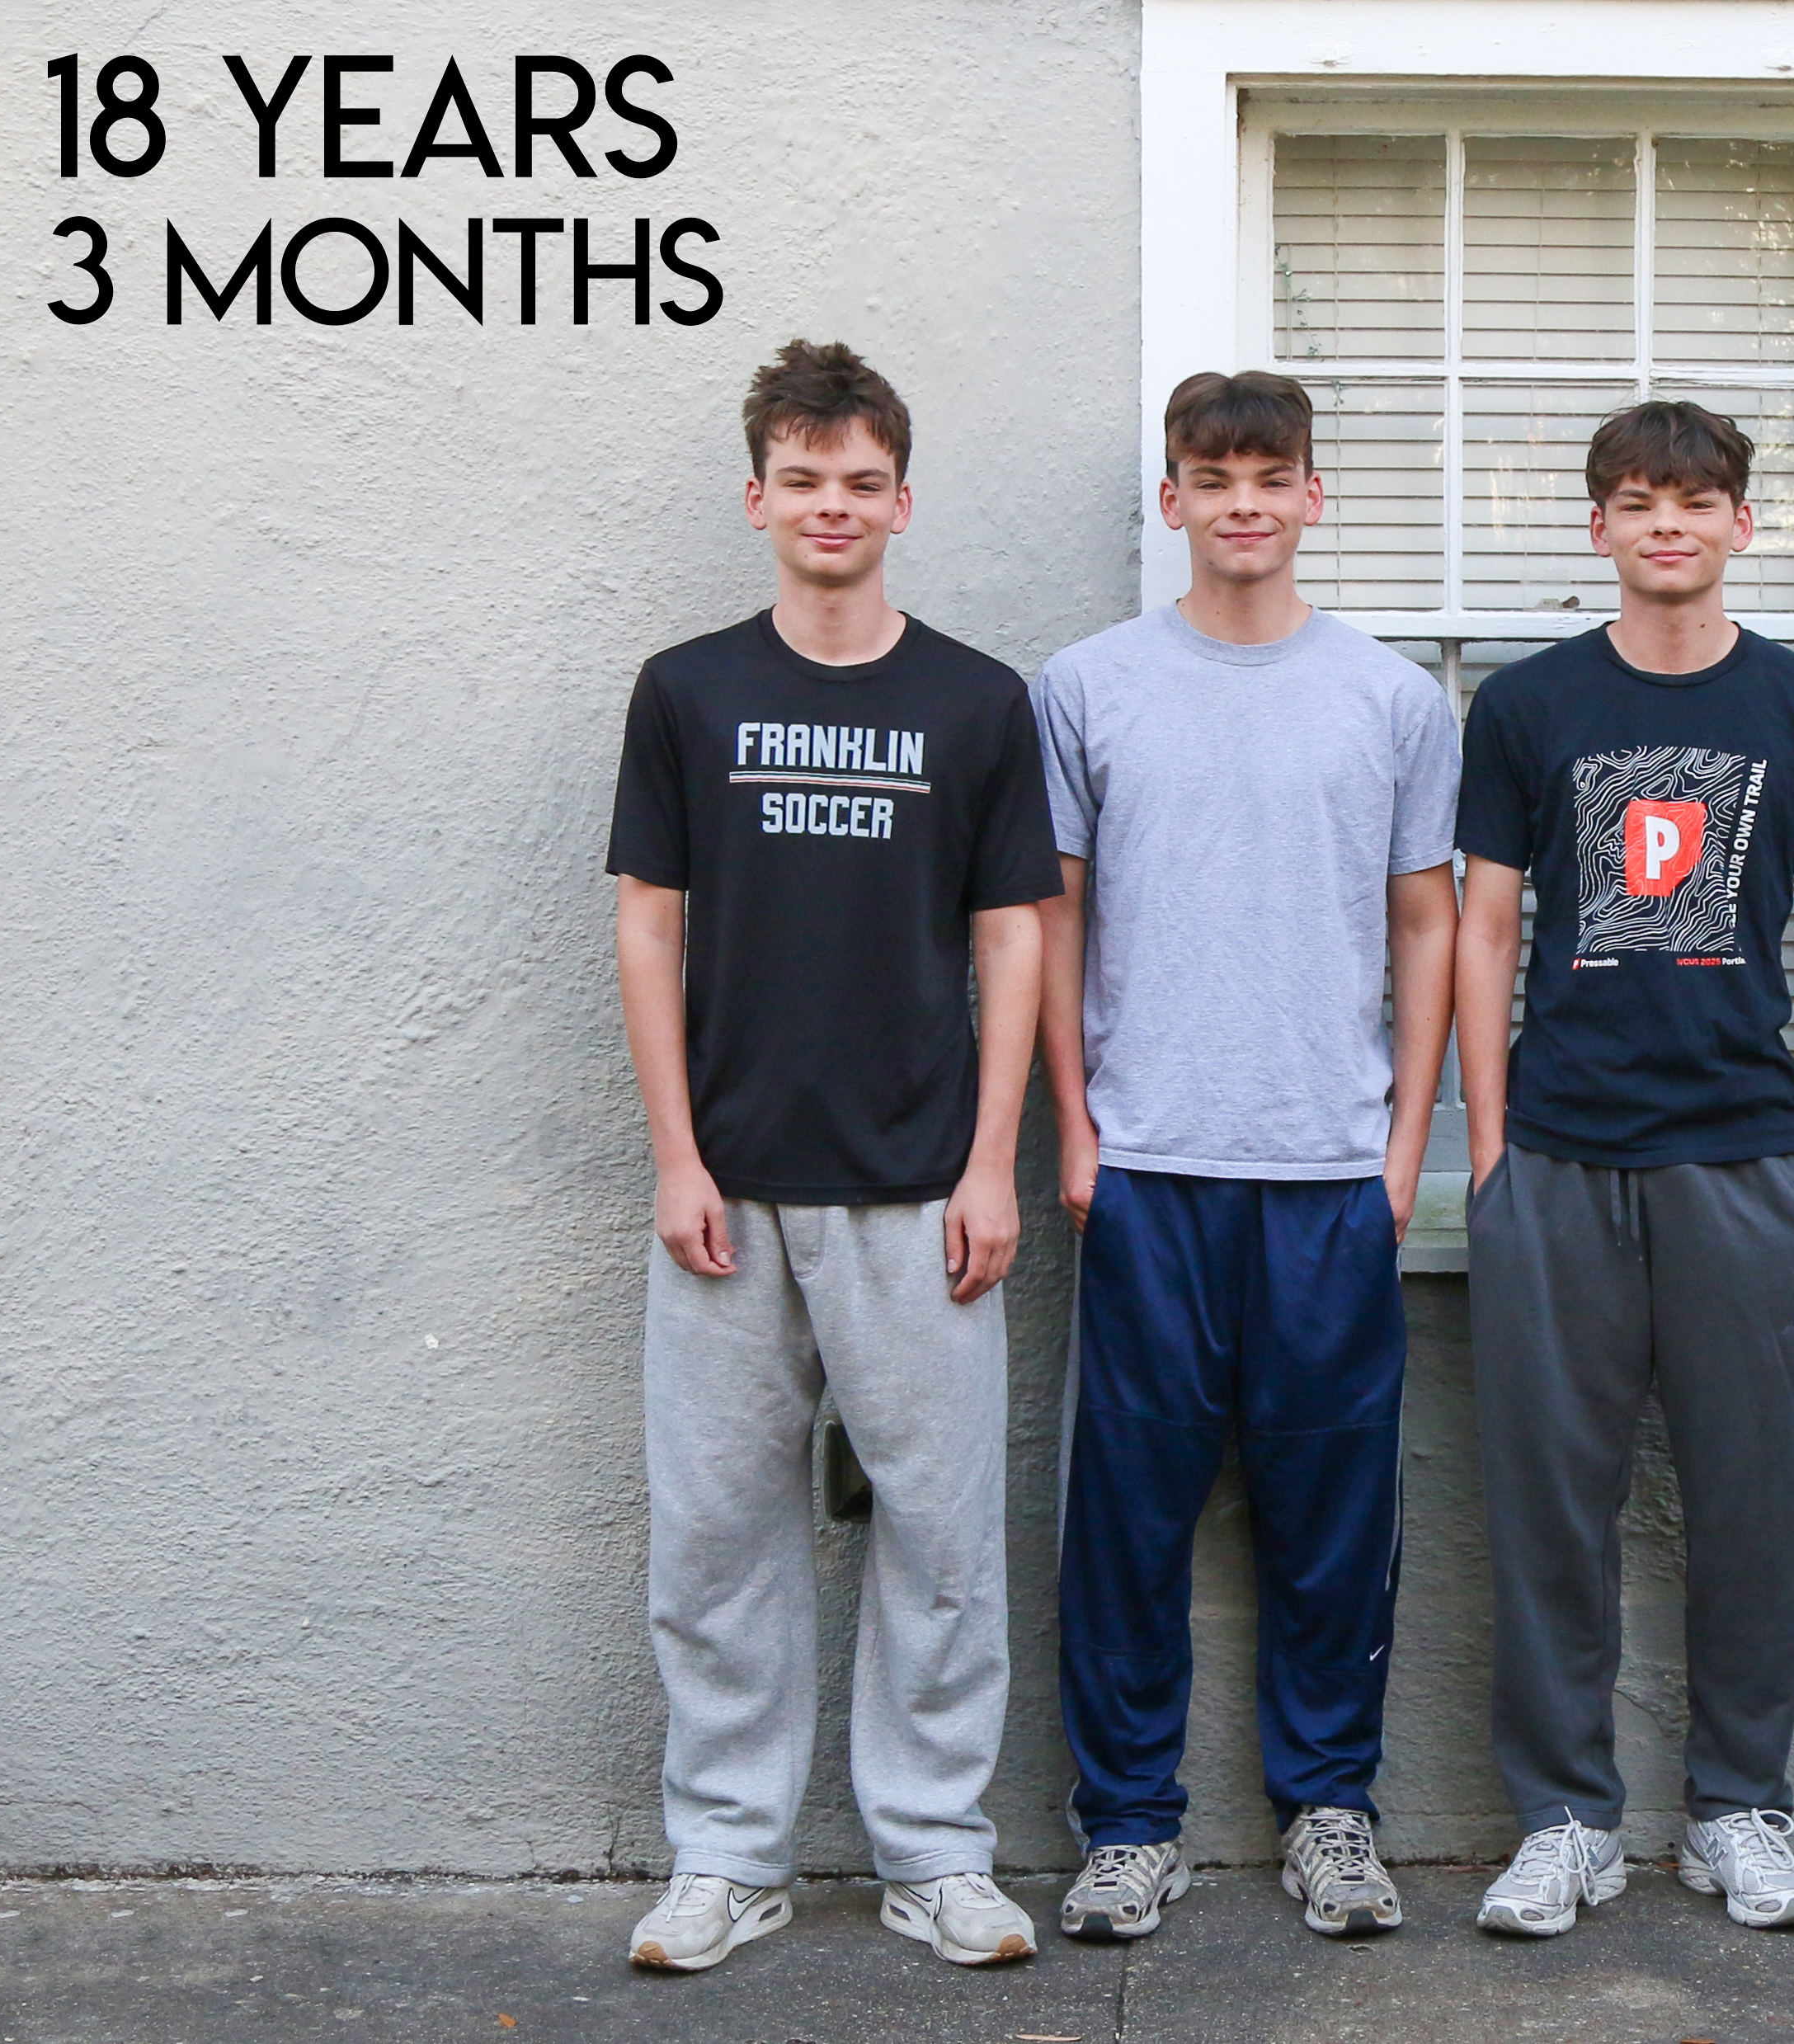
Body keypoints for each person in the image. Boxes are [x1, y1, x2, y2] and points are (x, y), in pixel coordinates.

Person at [605, 340, 1062, 1972]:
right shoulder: (687, 692)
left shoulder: (975, 702)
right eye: (802, 479)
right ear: (757, 497)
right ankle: (729, 1856)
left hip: (919, 1189)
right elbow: (648, 929)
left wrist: (994, 1162)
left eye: (861, 481)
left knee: (942, 1540)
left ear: (901, 502)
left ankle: (934, 1851)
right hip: (727, 1191)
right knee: (715, 1538)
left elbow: (1013, 938)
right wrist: (674, 1155)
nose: (832, 505)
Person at [1455, 400, 1794, 1939]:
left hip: (1743, 1160)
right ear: (1597, 525)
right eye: (1638, 500)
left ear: (1741, 525)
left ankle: (1737, 1810)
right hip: (1558, 1160)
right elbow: (1484, 927)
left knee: (1754, 1504)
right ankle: (1564, 1820)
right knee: (1546, 1510)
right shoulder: (1526, 705)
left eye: (1696, 500)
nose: (1667, 523)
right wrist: (1489, 1146)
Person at [1034, 370, 1460, 1943]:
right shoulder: (1085, 686)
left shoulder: (1391, 700)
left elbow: (1428, 924)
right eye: (1211, 478)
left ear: (1311, 496)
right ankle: (1126, 1823)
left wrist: (1403, 1144)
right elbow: (1052, 918)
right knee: (1127, 1516)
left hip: (1328, 1171)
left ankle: (1329, 1812)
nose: (1241, 503)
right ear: (1171, 501)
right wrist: (1074, 1122)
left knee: (1332, 1514)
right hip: (1146, 1163)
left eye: (1269, 475)